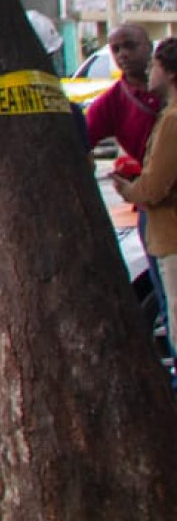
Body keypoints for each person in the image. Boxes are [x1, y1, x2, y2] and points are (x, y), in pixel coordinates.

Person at [85, 23, 168, 323]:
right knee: (168, 296)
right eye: (116, 49)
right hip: (155, 209)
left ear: (149, 47)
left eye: (130, 46)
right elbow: (80, 139)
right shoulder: (112, 102)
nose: (123, 55)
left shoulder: (168, 92)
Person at [115, 36, 177, 355]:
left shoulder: (172, 120)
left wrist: (126, 188)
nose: (149, 72)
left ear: (170, 73)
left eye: (155, 66)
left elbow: (155, 186)